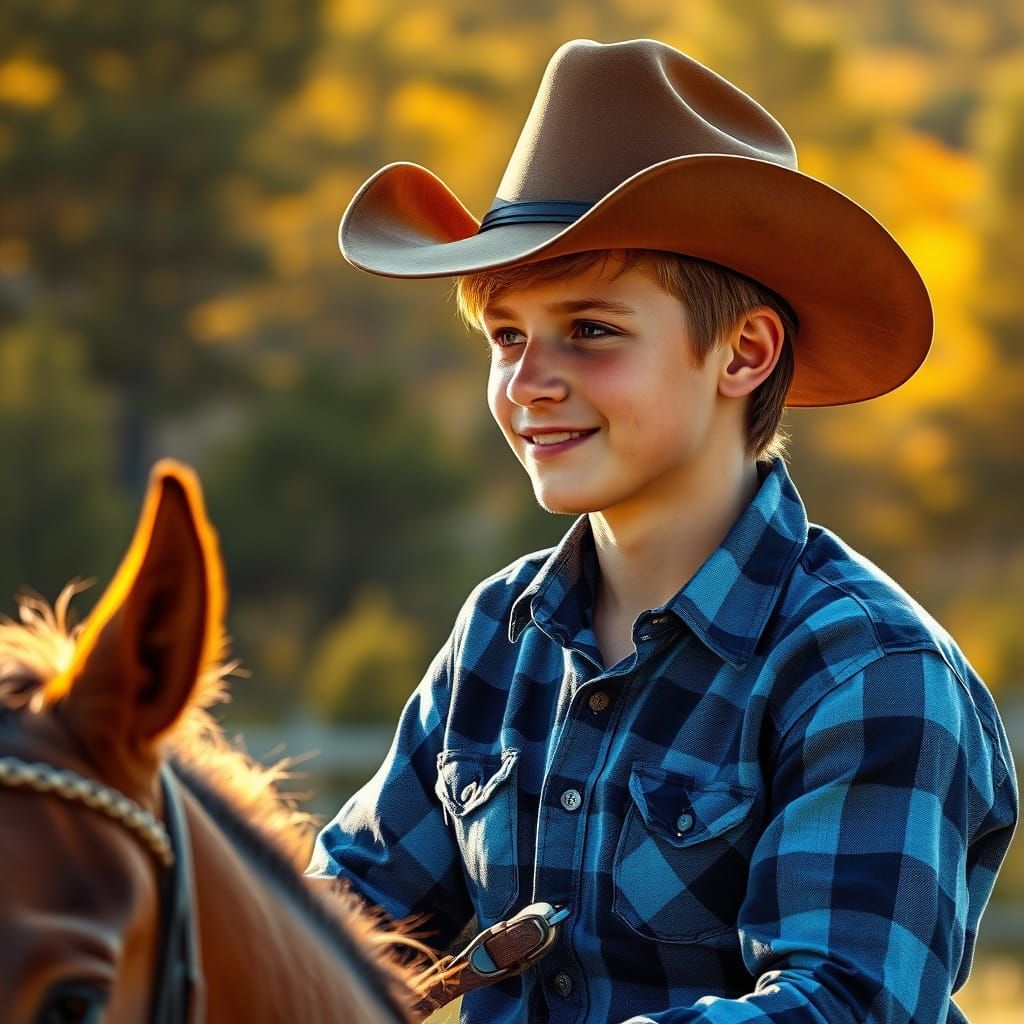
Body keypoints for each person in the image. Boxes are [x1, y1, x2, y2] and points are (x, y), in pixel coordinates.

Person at [307, 38, 1018, 1023]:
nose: (527, 381)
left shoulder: (866, 667)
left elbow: (843, 1005)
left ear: (743, 353)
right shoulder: (497, 636)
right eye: (507, 335)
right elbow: (342, 926)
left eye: (590, 330)